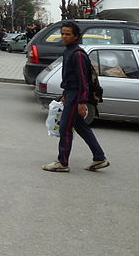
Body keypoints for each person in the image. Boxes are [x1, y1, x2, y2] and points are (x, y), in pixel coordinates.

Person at [43, 21, 109, 173]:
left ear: (76, 37)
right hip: (70, 94)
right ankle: (99, 157)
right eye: (63, 34)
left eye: (68, 34)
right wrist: (65, 95)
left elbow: (83, 80)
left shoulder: (78, 54)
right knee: (81, 127)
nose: (64, 37)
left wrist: (82, 101)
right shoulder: (68, 52)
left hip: (76, 96)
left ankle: (62, 162)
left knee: (65, 128)